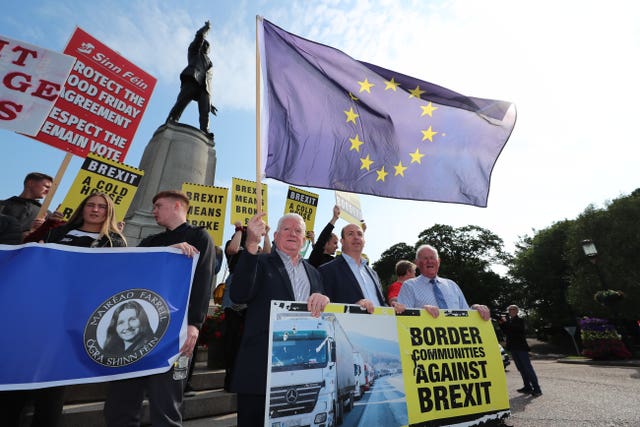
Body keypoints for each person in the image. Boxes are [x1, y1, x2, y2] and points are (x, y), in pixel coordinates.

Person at [0, 193, 126, 427]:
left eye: (101, 207)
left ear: (108, 212)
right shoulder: (58, 233)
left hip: (72, 320)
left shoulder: (114, 242)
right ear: (82, 208)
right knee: (18, 379)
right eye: (90, 205)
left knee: (52, 385)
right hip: (39, 314)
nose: (95, 210)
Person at [103, 190, 215, 427]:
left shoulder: (200, 236)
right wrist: (167, 252)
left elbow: (203, 282)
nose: (153, 211)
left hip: (173, 334)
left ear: (177, 206)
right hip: (135, 333)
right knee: (121, 402)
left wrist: (194, 324)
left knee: (167, 404)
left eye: (158, 206)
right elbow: (135, 270)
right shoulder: (151, 242)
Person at [229, 212, 329, 426]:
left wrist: (325, 299)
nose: (293, 233)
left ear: (304, 239)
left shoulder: (315, 273)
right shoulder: (259, 262)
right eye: (286, 229)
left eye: (298, 230)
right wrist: (251, 245)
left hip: (304, 372)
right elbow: (238, 294)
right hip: (261, 371)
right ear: (274, 235)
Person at [396, 244, 491, 320]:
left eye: (432, 258)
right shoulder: (409, 286)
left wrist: (476, 308)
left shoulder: (452, 285)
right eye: (425, 258)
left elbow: (466, 313)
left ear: (438, 261)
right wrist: (422, 313)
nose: (429, 261)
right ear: (417, 263)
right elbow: (403, 318)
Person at [319, 222, 386, 313]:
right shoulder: (327, 270)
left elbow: (381, 303)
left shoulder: (373, 274)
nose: (356, 237)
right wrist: (353, 307)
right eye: (350, 234)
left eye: (360, 234)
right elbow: (325, 306)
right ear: (342, 241)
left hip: (381, 324)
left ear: (364, 240)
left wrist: (394, 307)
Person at [166, 21, 216, 137]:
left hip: (204, 88)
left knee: (205, 111)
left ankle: (205, 131)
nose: (207, 47)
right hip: (192, 79)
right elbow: (199, 36)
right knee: (181, 103)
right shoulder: (194, 52)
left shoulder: (210, 63)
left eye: (208, 47)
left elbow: (207, 78)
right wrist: (206, 28)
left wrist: (211, 102)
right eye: (205, 44)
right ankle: (172, 120)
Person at [499, 305, 542, 397]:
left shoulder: (520, 321)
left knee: (528, 368)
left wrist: (506, 323)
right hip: (513, 348)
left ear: (516, 311)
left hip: (521, 348)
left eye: (512, 309)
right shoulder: (509, 321)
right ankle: (527, 387)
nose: (510, 311)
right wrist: (501, 323)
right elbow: (506, 331)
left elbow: (516, 329)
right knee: (521, 368)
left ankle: (537, 389)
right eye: (509, 310)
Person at [0, 172, 52, 239]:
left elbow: (49, 240)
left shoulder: (47, 214)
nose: (48, 191)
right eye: (46, 186)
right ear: (30, 183)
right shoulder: (2, 205)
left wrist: (43, 228)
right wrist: (20, 236)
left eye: (50, 189)